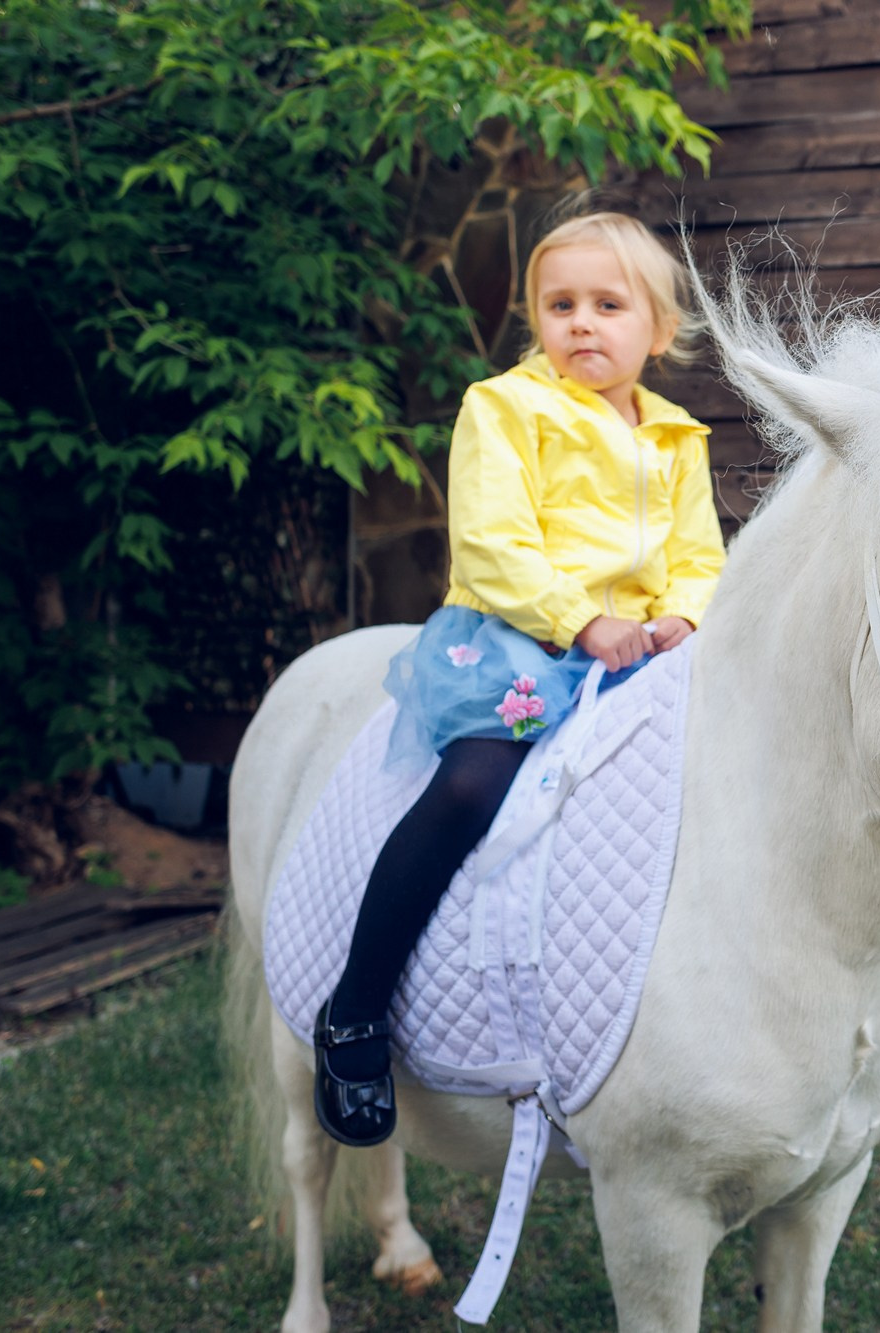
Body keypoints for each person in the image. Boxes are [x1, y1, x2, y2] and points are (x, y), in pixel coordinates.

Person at [311, 212, 725, 1147]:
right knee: (470, 784)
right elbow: (493, 544)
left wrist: (682, 615)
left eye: (607, 305)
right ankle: (356, 1010)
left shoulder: (676, 434)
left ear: (656, 329)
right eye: (559, 304)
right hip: (523, 642)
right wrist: (584, 621)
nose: (582, 322)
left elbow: (701, 552)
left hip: (645, 651)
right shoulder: (504, 408)